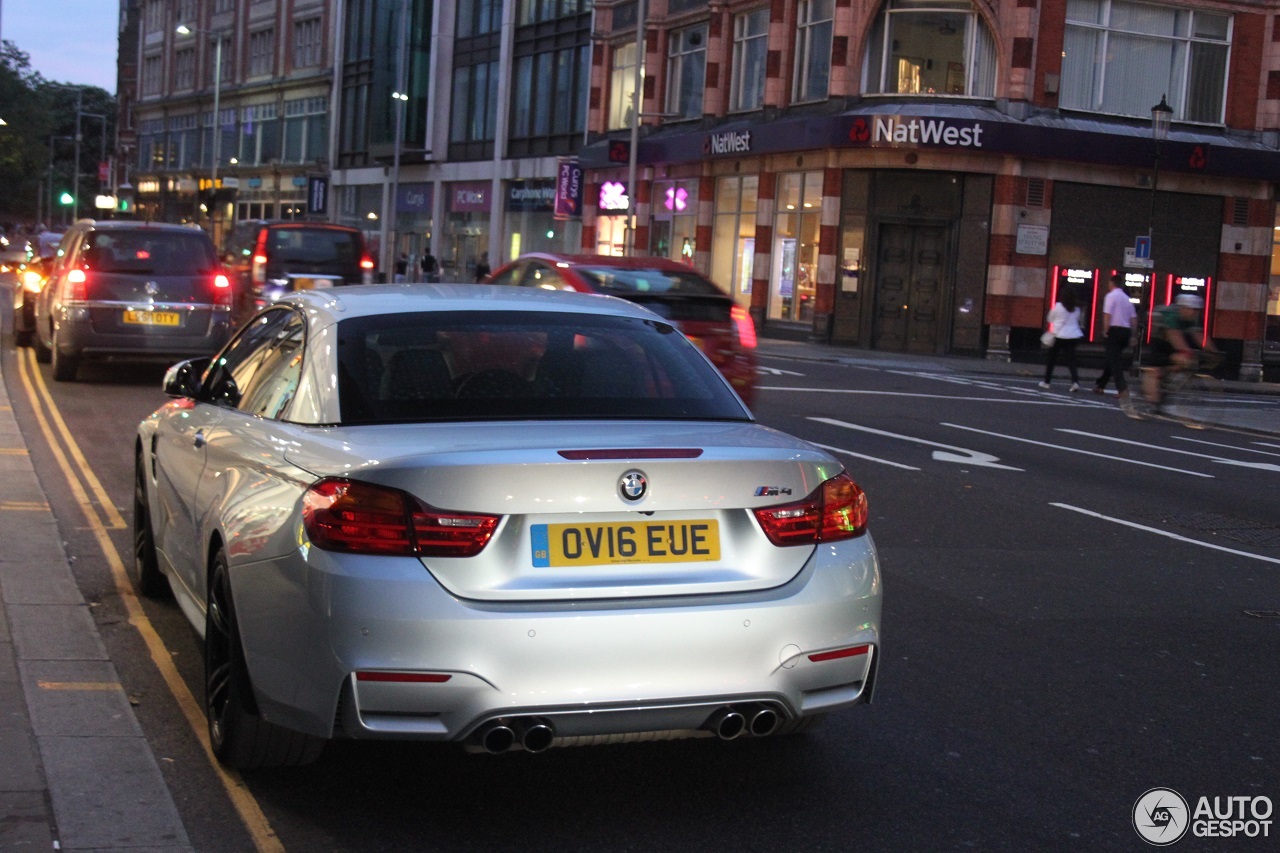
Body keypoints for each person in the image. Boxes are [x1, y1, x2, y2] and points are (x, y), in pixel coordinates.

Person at [1143, 293, 1219, 405]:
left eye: (1197, 310)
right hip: (1159, 339)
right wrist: (1186, 351)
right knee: (1156, 368)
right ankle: (1152, 399)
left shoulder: (1194, 318)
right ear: (1183, 308)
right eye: (1192, 309)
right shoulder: (1172, 316)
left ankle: (1167, 379)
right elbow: (1174, 336)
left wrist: (1214, 352)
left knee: (1184, 361)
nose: (1194, 313)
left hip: (1174, 338)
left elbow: (1199, 336)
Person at [1092, 274, 1138, 406]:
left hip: (1114, 330)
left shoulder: (1110, 296)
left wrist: (1105, 330)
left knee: (1115, 360)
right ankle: (1101, 385)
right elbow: (1133, 319)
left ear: (1112, 283)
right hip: (1126, 331)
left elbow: (1107, 314)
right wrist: (1133, 335)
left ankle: (1122, 388)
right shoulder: (1127, 299)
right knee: (1112, 358)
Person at [1039, 286, 1084, 391]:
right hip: (1074, 335)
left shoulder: (1058, 306)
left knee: (1052, 359)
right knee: (1071, 360)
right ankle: (1075, 382)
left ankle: (1047, 381)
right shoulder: (1076, 309)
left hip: (1060, 335)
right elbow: (1078, 320)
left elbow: (1049, 318)